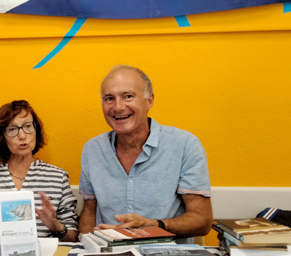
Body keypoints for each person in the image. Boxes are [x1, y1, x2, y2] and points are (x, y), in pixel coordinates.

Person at [78, 65, 213, 241]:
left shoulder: (184, 145)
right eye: (109, 98)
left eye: (128, 96)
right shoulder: (92, 149)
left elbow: (202, 220)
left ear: (149, 100)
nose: (118, 107)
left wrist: (154, 226)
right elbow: (89, 210)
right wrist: (88, 247)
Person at [0, 100, 78, 242]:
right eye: (12, 129)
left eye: (27, 126)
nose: (22, 136)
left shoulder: (57, 177)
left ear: (36, 130)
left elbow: (73, 238)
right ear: (1, 137)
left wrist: (56, 226)